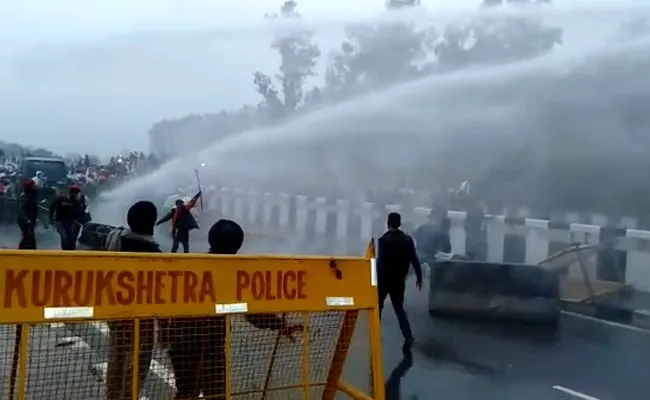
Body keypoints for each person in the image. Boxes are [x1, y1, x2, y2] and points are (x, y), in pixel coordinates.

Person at [167, 219, 303, 399]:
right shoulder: (235, 274)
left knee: (186, 392)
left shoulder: (191, 267)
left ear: (210, 240)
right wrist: (279, 324)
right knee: (215, 392)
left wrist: (164, 331)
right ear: (238, 246)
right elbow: (253, 313)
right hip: (211, 348)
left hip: (181, 343)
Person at [104, 200, 160, 400]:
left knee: (116, 362)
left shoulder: (115, 238)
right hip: (141, 321)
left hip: (116, 315)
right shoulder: (153, 254)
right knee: (136, 368)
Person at [377, 212, 423, 354]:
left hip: (384, 280)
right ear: (400, 223)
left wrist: (375, 279)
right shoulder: (407, 240)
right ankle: (408, 336)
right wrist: (419, 277)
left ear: (388, 223)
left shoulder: (383, 240)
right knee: (399, 309)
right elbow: (414, 259)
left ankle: (375, 334)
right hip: (398, 280)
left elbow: (381, 263)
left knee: (378, 307)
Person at [49, 185, 85, 250]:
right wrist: (51, 219)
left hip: (70, 223)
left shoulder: (77, 203)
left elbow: (78, 214)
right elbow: (51, 208)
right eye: (74, 192)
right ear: (70, 192)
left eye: (76, 193)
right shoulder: (60, 199)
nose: (75, 194)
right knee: (64, 237)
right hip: (60, 223)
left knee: (70, 239)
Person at [17, 179, 38, 249]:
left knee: (29, 236)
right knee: (28, 236)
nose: (35, 186)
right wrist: (27, 219)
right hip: (25, 219)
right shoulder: (25, 197)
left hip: (29, 218)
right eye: (33, 185)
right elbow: (22, 209)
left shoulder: (31, 195)